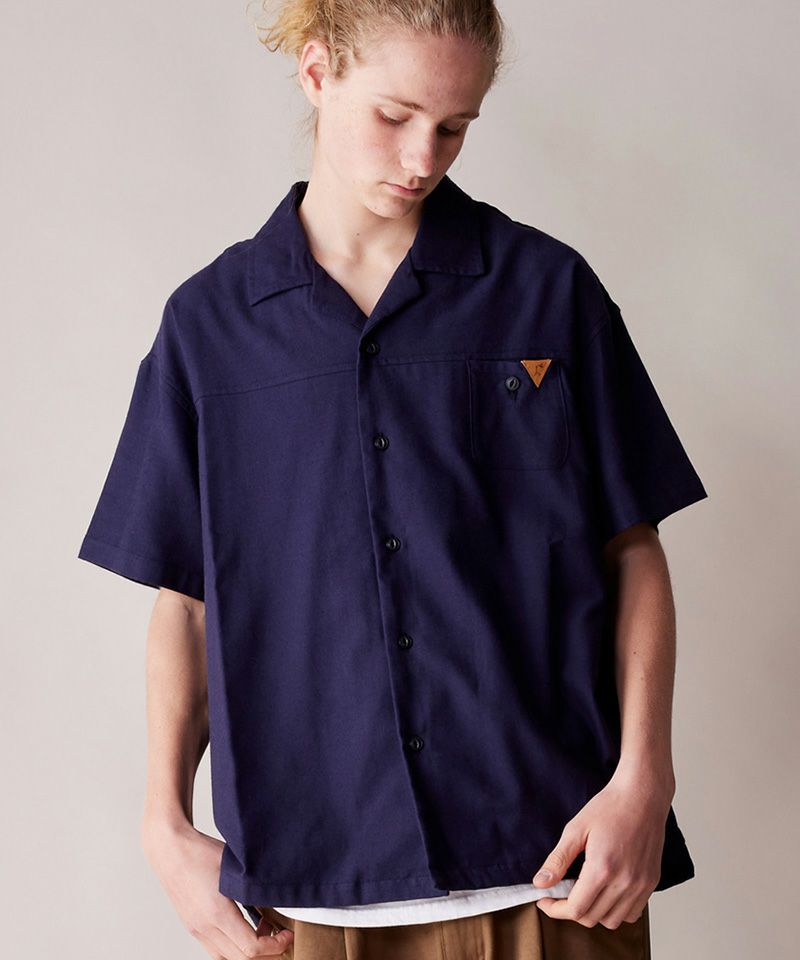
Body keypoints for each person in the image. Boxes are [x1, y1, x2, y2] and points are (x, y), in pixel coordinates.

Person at [77, 1, 708, 957]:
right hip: (315, 895)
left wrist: (645, 778)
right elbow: (190, 600)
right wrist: (164, 819)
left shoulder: (545, 290)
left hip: (555, 873)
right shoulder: (210, 329)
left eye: (454, 127)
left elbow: (631, 547)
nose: (423, 158)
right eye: (396, 115)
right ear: (317, 73)